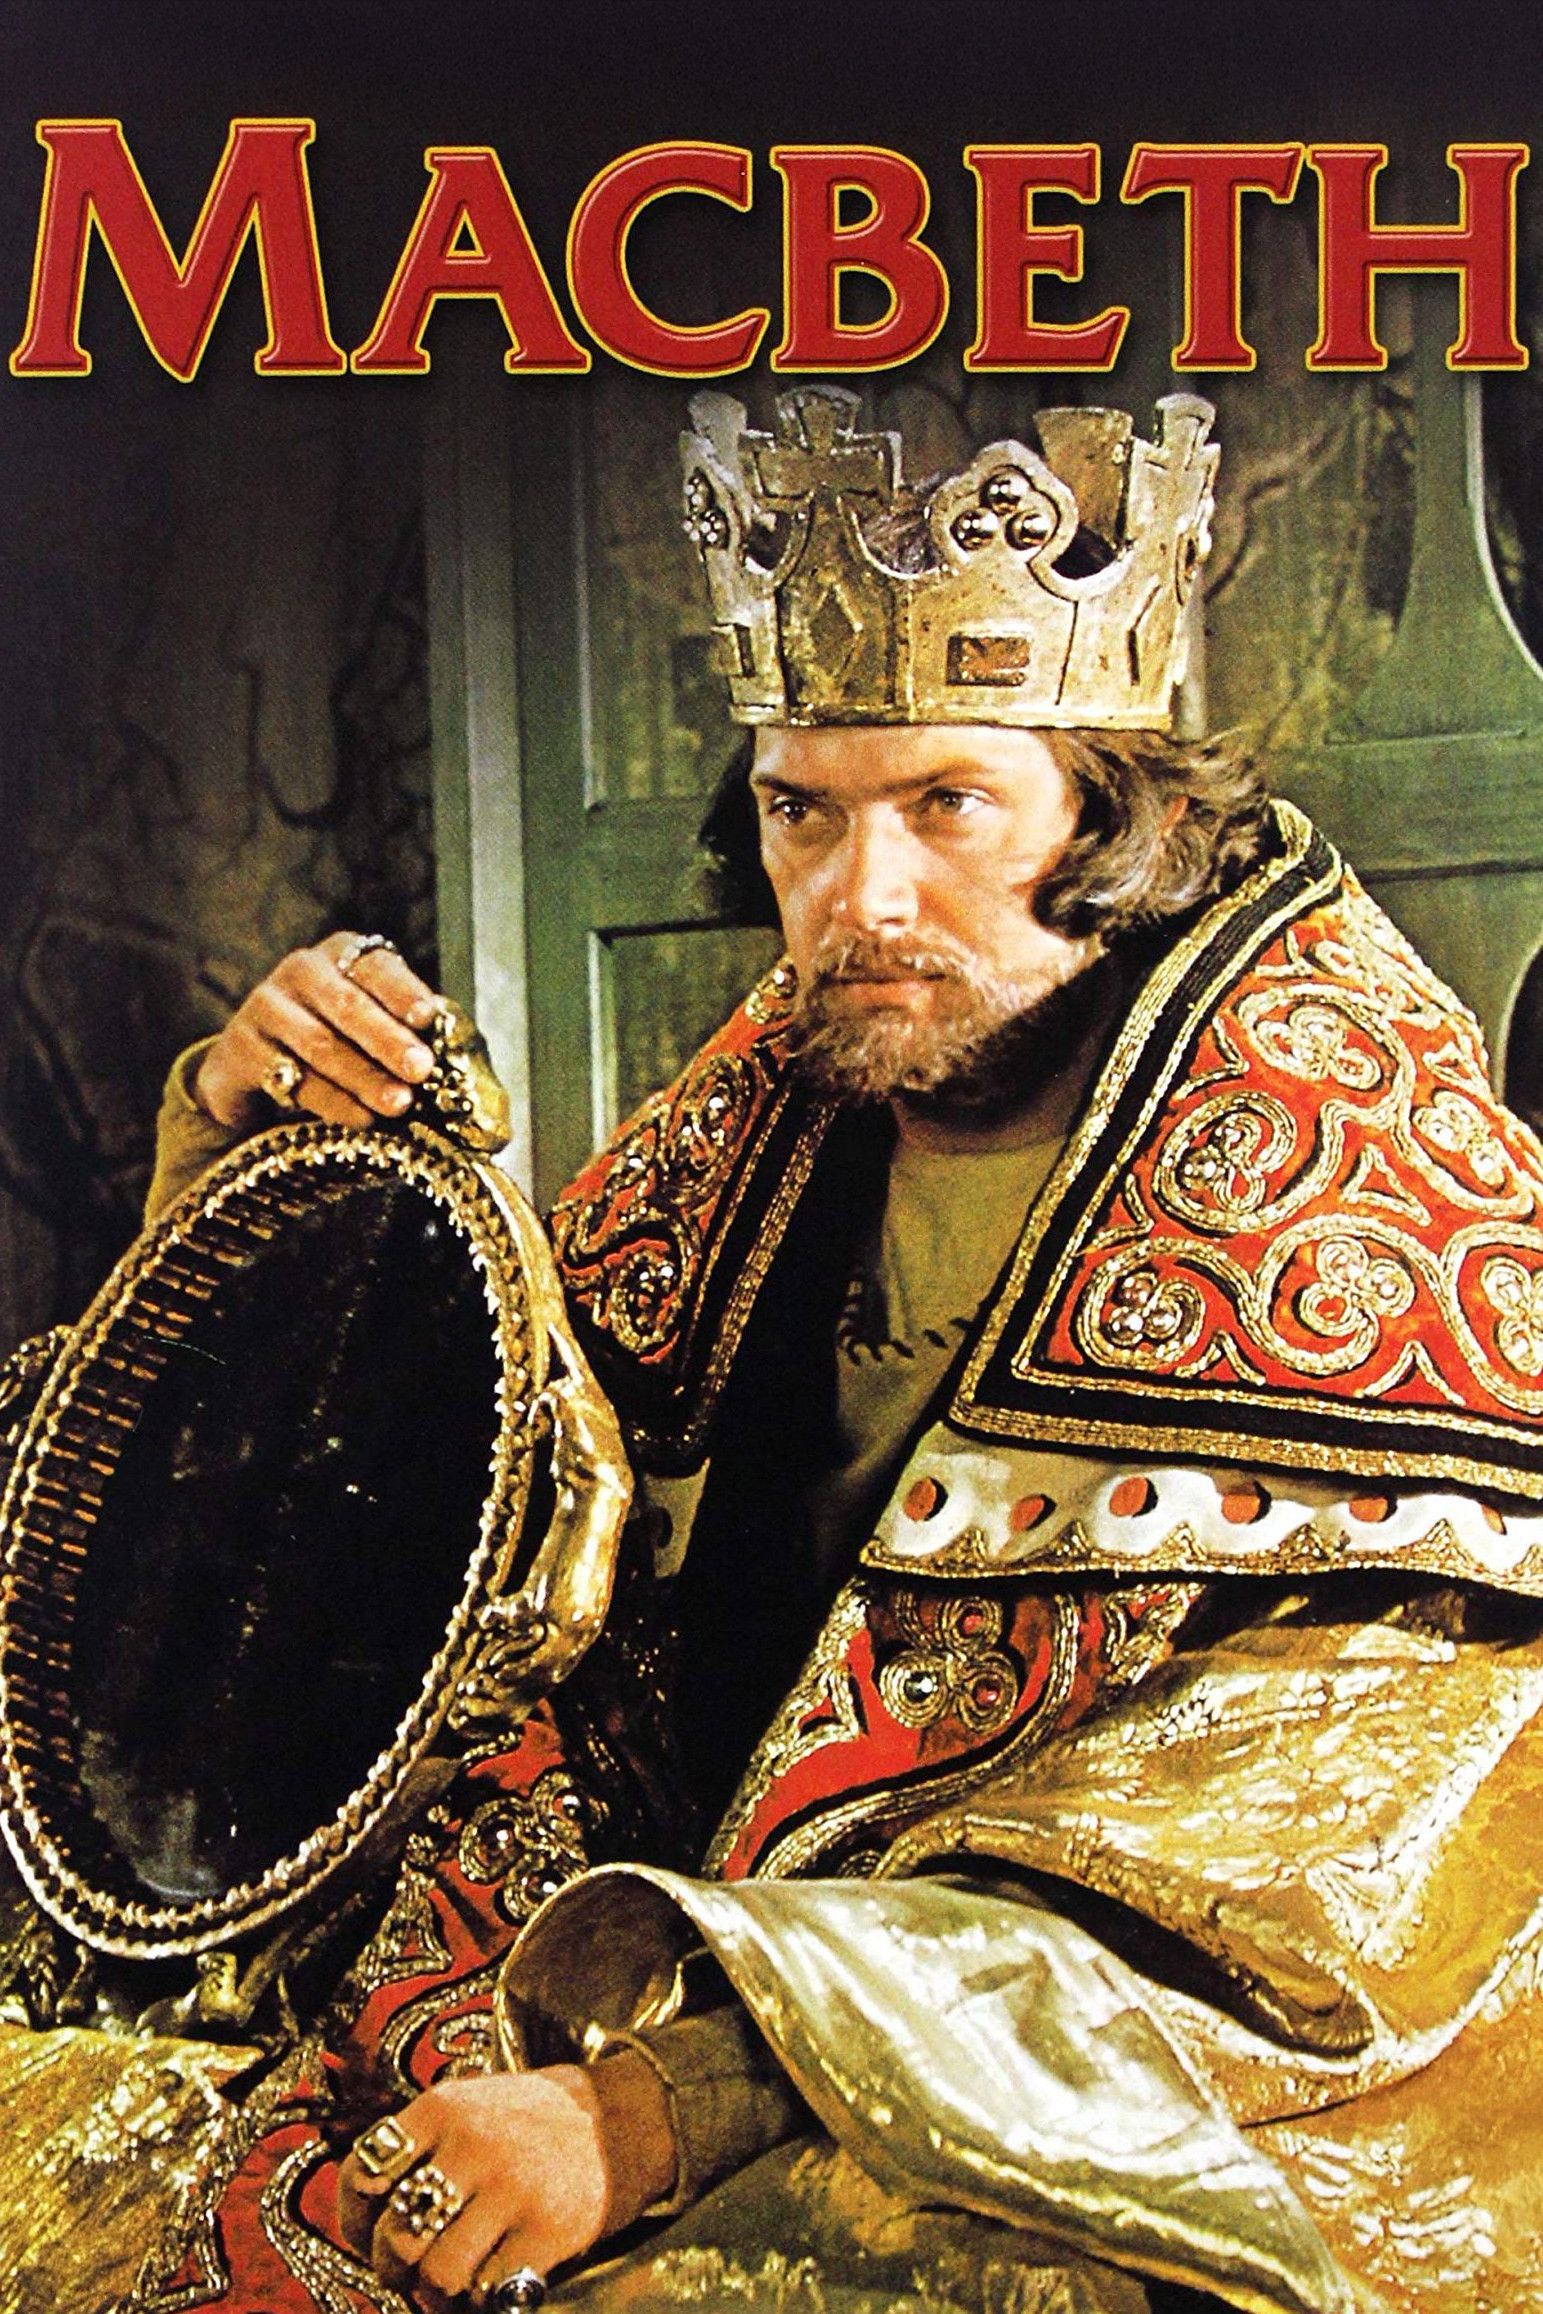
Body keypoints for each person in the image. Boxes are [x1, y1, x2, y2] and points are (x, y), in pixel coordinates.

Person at [33, 390, 1543, 2312]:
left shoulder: (1361, 1215)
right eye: (800, 811)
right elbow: (417, 1545)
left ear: (1126, 813)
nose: (860, 900)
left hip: (1112, 2114)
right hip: (610, 1988)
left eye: (947, 803)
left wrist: (657, 2108)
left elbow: (1308, 1885)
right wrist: (255, 1189)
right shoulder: (778, 1114)